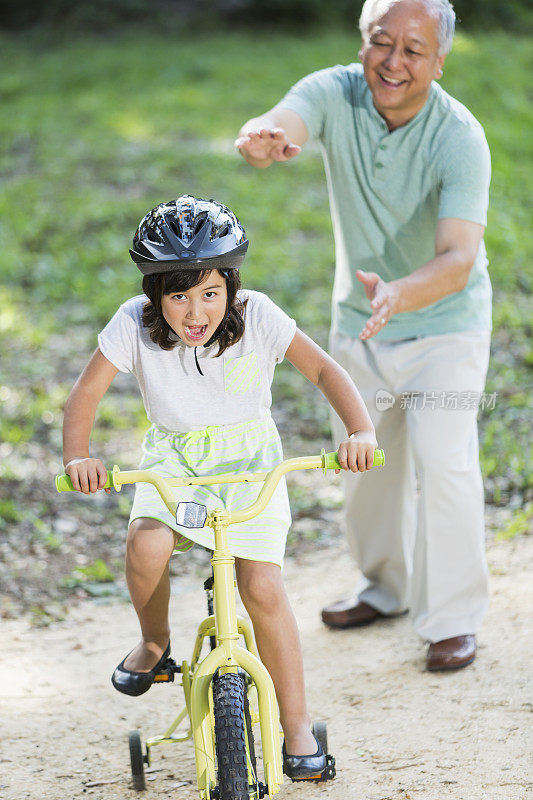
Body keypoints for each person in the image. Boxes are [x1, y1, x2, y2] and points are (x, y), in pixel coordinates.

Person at [62, 194, 377, 779]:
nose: (195, 311)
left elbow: (326, 371)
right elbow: (85, 394)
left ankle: (299, 727)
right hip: (175, 464)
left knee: (261, 585)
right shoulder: (133, 324)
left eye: (209, 292)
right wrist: (79, 456)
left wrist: (358, 431)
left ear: (231, 285)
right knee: (146, 543)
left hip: (251, 463)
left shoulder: (257, 316)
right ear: (156, 296)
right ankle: (155, 643)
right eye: (178, 295)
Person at [236, 0, 492, 671]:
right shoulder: (334, 92)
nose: (394, 61)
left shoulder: (459, 137)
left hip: (446, 329)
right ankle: (385, 588)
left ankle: (451, 619)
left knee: (445, 465)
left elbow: (459, 256)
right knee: (364, 467)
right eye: (382, 42)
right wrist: (262, 135)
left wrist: (401, 293)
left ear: (438, 62)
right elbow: (285, 117)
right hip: (358, 325)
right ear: (361, 44)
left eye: (414, 49)